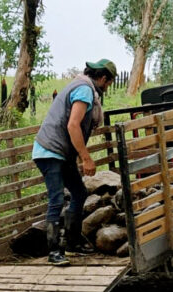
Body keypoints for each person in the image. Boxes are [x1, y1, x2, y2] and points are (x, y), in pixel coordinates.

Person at [32, 59, 117, 266]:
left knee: (79, 192)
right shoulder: (85, 90)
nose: (107, 88)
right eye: (109, 83)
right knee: (57, 198)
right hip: (50, 152)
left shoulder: (82, 86)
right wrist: (86, 157)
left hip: (61, 152)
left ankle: (73, 241)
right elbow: (73, 125)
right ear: (103, 78)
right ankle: (54, 251)